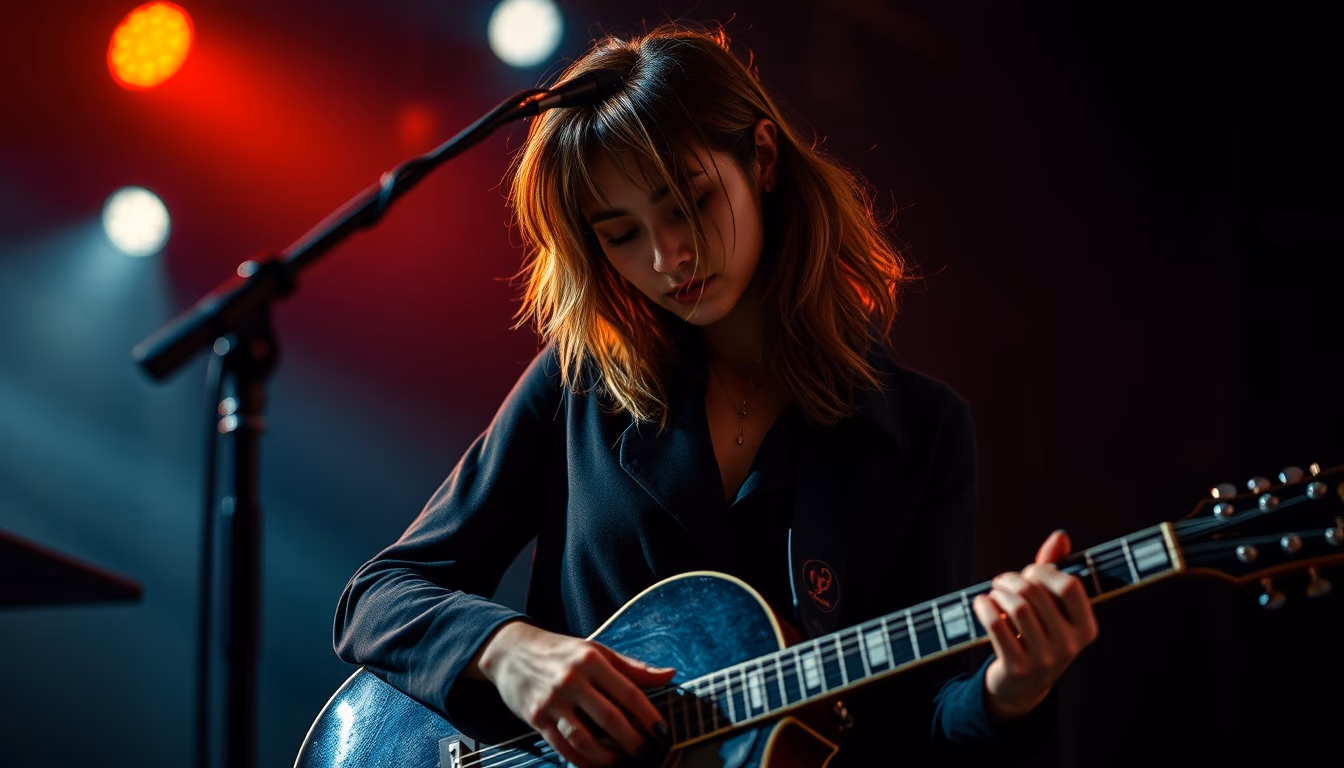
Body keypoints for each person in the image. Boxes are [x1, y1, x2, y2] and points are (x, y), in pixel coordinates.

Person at [333, 23, 1098, 768]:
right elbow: (378, 596)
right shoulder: (583, 380)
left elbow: (917, 726)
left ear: (761, 157)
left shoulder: (921, 432)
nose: (668, 256)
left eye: (688, 201)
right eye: (620, 233)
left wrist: (1011, 689)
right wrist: (510, 651)